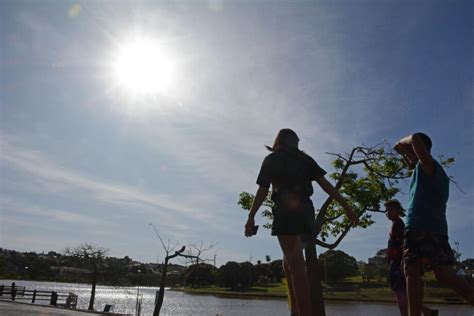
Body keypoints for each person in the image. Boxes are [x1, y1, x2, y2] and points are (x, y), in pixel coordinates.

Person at [244, 129, 358, 316]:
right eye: (296, 141)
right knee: (289, 259)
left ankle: (303, 312)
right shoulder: (305, 160)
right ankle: (295, 310)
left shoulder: (272, 159)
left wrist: (251, 217)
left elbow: (263, 190)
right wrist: (346, 207)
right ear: (291, 141)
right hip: (306, 212)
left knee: (295, 261)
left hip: (286, 209)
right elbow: (326, 185)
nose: (297, 144)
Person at [394, 132, 474, 316]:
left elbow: (414, 138)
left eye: (409, 152)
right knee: (440, 274)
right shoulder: (422, 171)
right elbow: (412, 159)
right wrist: (404, 154)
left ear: (419, 150)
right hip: (433, 229)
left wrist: (401, 143)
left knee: (413, 272)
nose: (407, 157)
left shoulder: (429, 166)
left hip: (420, 228)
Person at [384, 199, 438, 316]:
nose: (387, 213)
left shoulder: (398, 225)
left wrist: (401, 262)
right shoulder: (397, 224)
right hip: (400, 261)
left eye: (390, 210)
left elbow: (404, 245)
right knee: (405, 292)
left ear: (398, 211)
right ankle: (427, 311)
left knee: (399, 291)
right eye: (386, 211)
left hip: (399, 261)